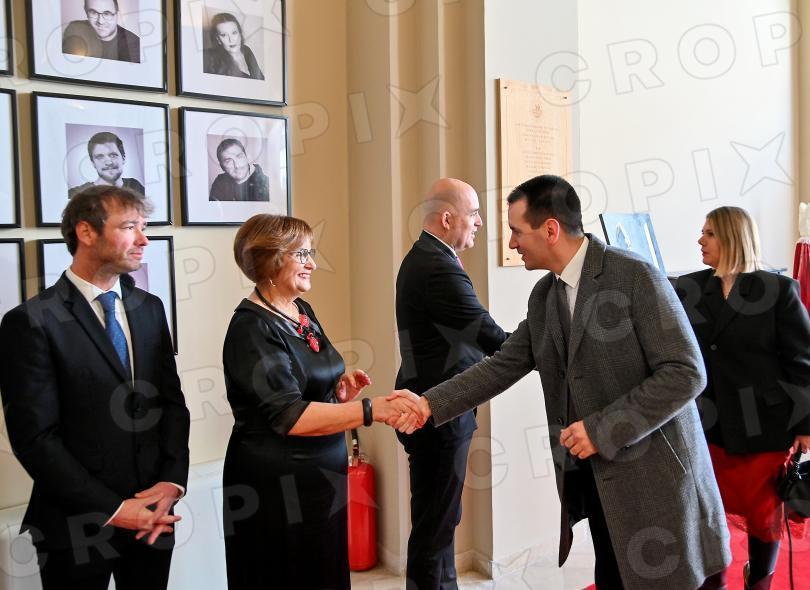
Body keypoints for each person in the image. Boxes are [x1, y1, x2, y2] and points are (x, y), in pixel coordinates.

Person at [392, 175, 732, 590]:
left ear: (550, 229)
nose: (512, 243)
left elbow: (686, 372)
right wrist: (427, 405)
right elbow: (502, 365)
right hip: (603, 485)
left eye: (517, 232)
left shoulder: (634, 276)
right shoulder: (544, 297)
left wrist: (602, 429)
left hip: (659, 483)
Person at [0, 186, 190, 589]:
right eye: (130, 227)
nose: (144, 239)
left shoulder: (150, 307)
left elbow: (172, 405)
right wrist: (116, 509)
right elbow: (35, 439)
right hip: (74, 527)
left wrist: (171, 483)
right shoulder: (31, 321)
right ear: (86, 232)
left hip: (154, 516)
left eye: (144, 227)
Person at [222, 214, 419, 589]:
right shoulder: (252, 328)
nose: (312, 263)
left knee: (324, 570)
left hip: (322, 477)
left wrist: (337, 392)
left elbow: (306, 383)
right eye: (302, 254)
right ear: (271, 259)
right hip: (277, 487)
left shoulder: (301, 311)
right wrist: (370, 410)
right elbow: (289, 415)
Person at [675, 206, 810, 590]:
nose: (700, 240)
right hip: (708, 424)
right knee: (708, 513)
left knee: (763, 515)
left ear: (733, 238)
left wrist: (805, 425)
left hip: (764, 425)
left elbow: (802, 361)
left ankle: (760, 580)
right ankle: (714, 580)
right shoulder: (688, 288)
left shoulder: (778, 291)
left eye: (709, 233)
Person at [395, 178, 507, 590]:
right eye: (473, 213)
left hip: (436, 409)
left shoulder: (426, 256)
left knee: (441, 523)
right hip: (439, 413)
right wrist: (543, 343)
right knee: (435, 529)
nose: (479, 222)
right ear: (447, 218)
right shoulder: (437, 267)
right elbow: (488, 334)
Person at [69, 132, 145, 200]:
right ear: (93, 163)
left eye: (113, 155)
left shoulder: (135, 186)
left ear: (123, 158)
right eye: (100, 157)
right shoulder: (76, 194)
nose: (108, 162)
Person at [63, 0, 140, 63]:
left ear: (117, 14)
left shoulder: (133, 43)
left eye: (107, 13)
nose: (100, 21)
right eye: (93, 13)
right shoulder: (75, 29)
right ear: (86, 12)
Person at [202, 12, 264, 80]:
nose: (231, 40)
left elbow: (260, 78)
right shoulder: (208, 58)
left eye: (234, 33)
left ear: (240, 34)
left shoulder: (246, 50)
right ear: (218, 39)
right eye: (223, 35)